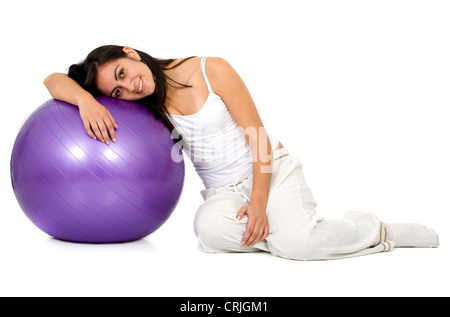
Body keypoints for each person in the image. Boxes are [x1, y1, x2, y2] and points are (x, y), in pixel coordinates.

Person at [44, 45, 439, 260]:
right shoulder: (144, 105)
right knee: (209, 231)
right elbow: (52, 79)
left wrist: (260, 203)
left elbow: (259, 138)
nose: (129, 87)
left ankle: (376, 230)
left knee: (299, 248)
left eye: (122, 73)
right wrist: (86, 101)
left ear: (130, 53)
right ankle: (291, 232)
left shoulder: (209, 68)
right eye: (117, 91)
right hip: (224, 194)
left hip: (270, 172)